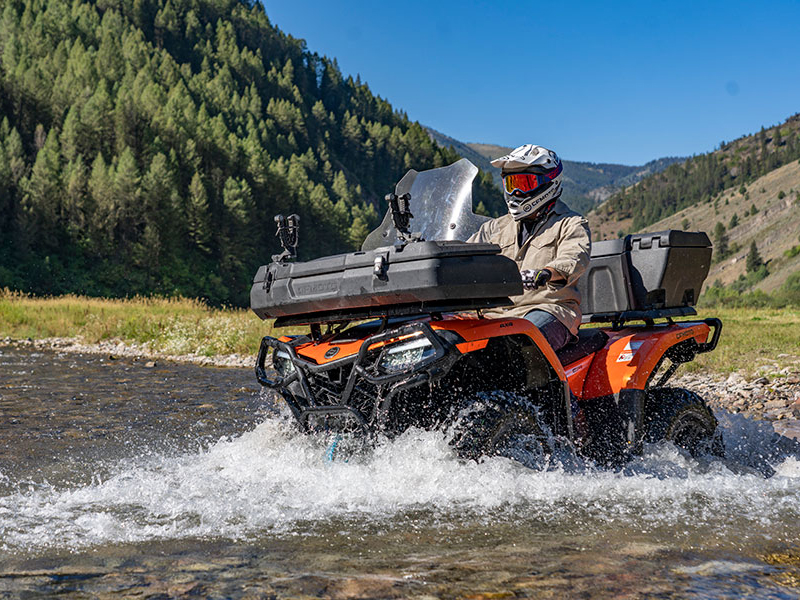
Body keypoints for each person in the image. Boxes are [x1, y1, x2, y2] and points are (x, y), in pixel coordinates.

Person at [468, 144, 591, 352]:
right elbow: (461, 256)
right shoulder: (494, 228)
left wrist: (546, 273)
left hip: (549, 310)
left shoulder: (571, 223)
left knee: (520, 342)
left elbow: (574, 258)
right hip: (495, 313)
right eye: (511, 183)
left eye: (524, 183)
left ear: (549, 182)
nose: (516, 192)